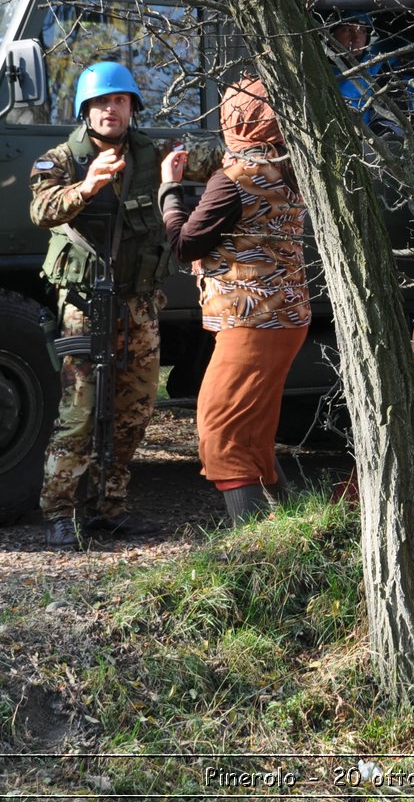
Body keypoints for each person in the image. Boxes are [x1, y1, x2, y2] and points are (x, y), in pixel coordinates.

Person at [30, 61, 222, 549]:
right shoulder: (61, 160)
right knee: (80, 412)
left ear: (132, 107)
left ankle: (109, 507)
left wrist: (263, 149)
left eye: (119, 101)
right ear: (85, 111)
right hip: (85, 305)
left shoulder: (152, 152)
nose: (110, 109)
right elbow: (41, 209)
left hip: (139, 303)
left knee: (134, 409)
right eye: (100, 103)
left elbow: (221, 156)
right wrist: (88, 186)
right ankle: (59, 511)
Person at [159, 78, 310, 526]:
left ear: (235, 119)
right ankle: (292, 528)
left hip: (252, 322)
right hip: (286, 318)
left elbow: (184, 244)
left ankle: (254, 546)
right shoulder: (288, 167)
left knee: (220, 431)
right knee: (256, 431)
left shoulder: (234, 180)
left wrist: (169, 189)